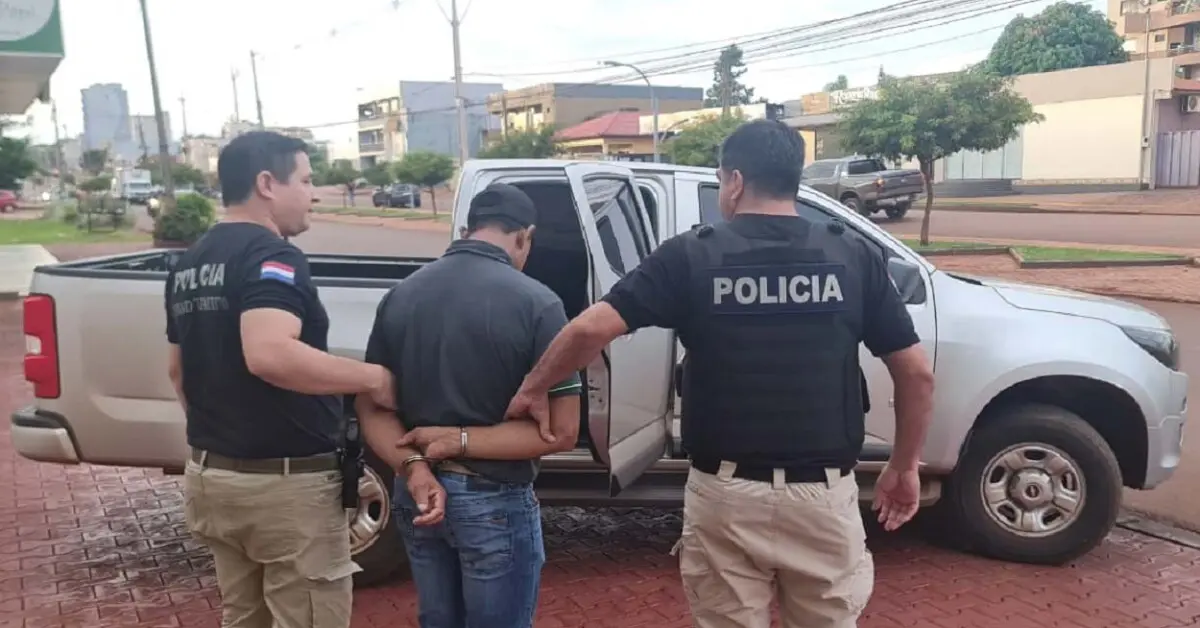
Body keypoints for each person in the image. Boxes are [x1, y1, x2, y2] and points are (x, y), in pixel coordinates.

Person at [506, 119, 935, 628]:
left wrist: (534, 389)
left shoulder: (692, 254)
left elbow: (588, 329)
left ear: (734, 181)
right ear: (793, 178)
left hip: (727, 495)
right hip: (823, 497)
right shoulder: (852, 254)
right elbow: (916, 375)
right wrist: (903, 465)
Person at [165, 130, 396, 628]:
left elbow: (177, 372)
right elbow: (270, 354)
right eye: (306, 180)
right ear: (267, 184)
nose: (313, 194)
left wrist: (227, 439)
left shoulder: (190, 262)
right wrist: (373, 378)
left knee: (244, 617)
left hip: (214, 479)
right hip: (283, 492)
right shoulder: (272, 255)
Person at [354, 183, 583, 628]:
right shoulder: (539, 303)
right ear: (525, 237)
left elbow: (372, 408)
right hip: (492, 499)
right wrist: (460, 441)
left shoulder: (401, 295)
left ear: (465, 230)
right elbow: (562, 431)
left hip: (417, 494)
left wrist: (416, 468)